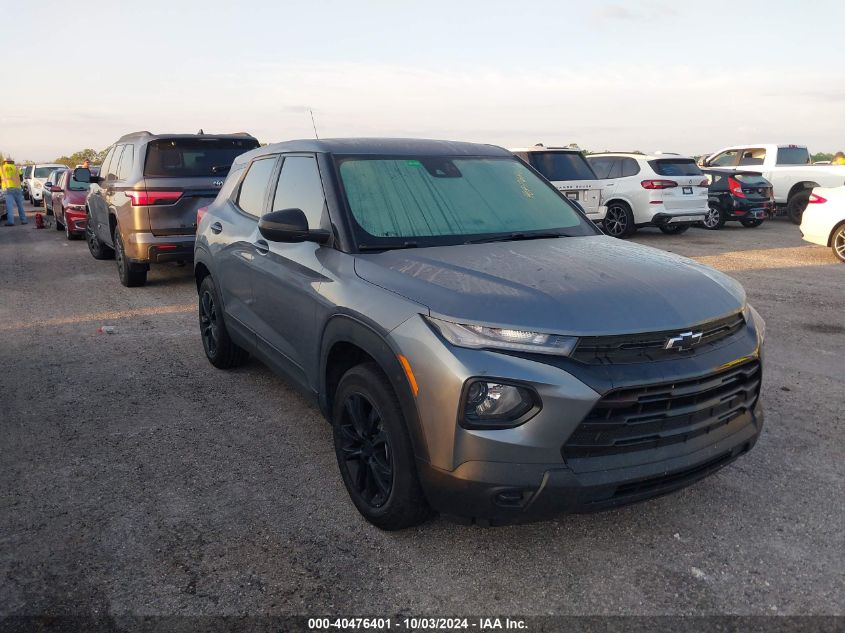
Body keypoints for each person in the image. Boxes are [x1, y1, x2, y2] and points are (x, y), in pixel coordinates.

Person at [1, 159, 27, 226]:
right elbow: (21, 178)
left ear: (4, 162)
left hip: (7, 188)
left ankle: (11, 222)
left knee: (10, 206)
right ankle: (23, 220)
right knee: (20, 205)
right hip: (17, 188)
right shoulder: (16, 167)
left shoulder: (1, 168)